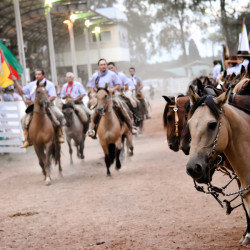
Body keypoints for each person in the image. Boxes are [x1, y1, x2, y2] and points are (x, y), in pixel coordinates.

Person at [13, 69, 65, 148]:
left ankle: (59, 135)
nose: (37, 76)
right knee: (23, 120)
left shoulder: (49, 84)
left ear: (44, 75)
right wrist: (16, 82)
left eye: (39, 74)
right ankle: (27, 140)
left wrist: (45, 102)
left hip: (48, 106)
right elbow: (22, 92)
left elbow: (53, 96)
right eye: (36, 74)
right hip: (34, 108)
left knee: (60, 115)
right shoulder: (31, 85)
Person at [87, 58, 133, 139]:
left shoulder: (112, 74)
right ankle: (92, 129)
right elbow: (90, 85)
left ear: (106, 65)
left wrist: (113, 89)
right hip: (101, 98)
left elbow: (118, 84)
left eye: (104, 64)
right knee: (95, 111)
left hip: (113, 96)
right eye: (101, 65)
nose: (103, 66)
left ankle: (131, 126)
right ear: (98, 66)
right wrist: (93, 93)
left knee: (121, 106)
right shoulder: (95, 76)